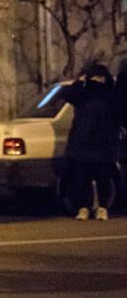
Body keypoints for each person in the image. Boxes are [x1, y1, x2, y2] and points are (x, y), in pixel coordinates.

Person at [60, 62, 121, 220]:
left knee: (103, 179)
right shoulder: (82, 94)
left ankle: (102, 208)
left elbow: (120, 115)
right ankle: (83, 208)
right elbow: (67, 93)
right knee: (82, 179)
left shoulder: (111, 96)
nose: (98, 80)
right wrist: (79, 81)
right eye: (94, 77)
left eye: (100, 77)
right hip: (83, 144)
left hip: (104, 144)